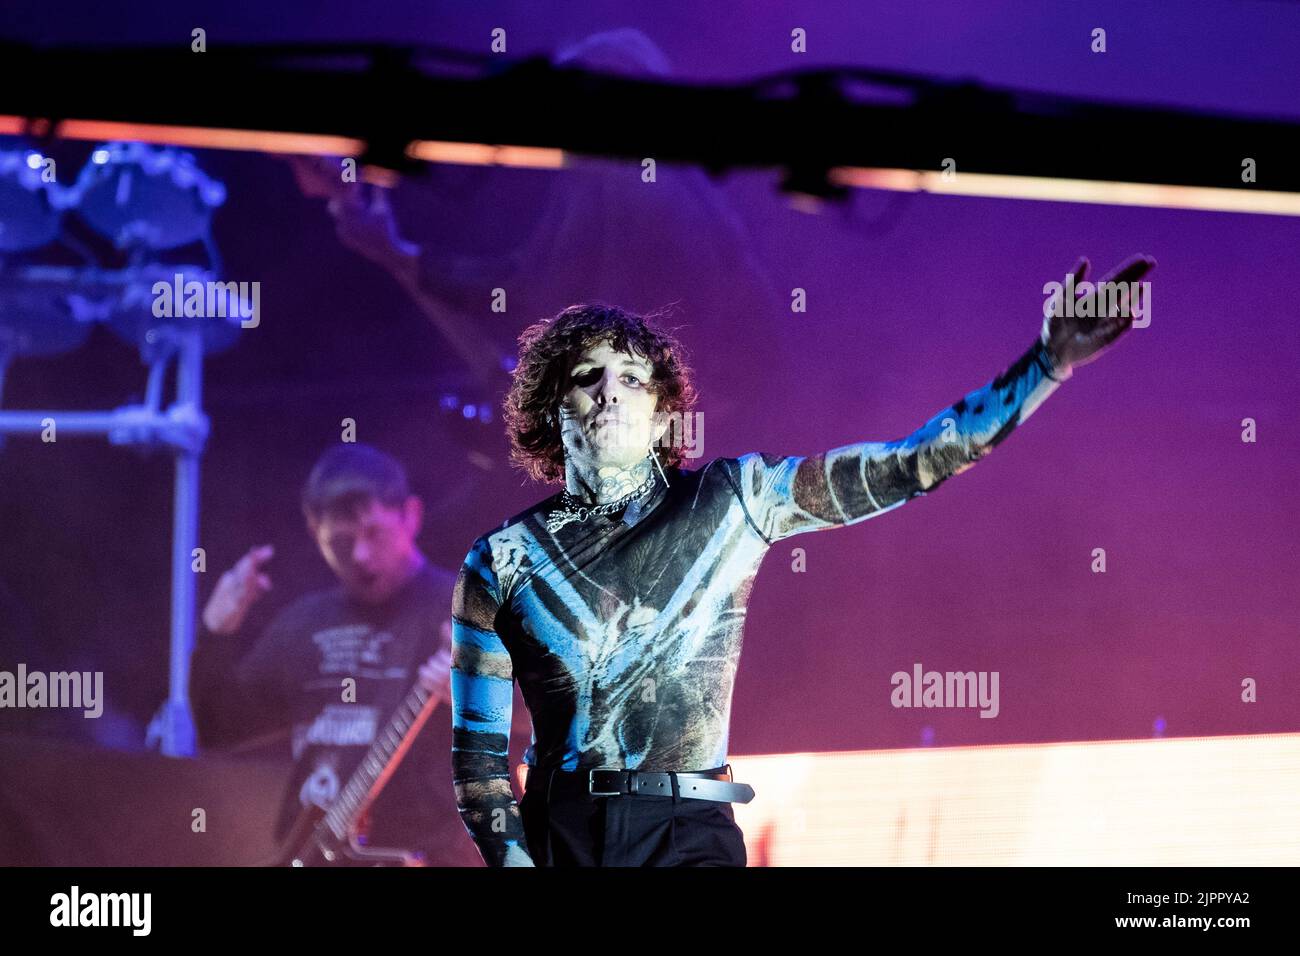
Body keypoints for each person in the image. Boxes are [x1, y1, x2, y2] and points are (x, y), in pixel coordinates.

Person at [449, 254, 1155, 867]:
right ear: (552, 408)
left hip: (689, 825)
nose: (609, 390)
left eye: (633, 378)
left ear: (666, 413)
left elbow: (907, 465)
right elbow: (479, 762)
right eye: (587, 375)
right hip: (564, 832)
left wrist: (1045, 366)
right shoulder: (499, 562)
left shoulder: (735, 500)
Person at [190, 443, 491, 866]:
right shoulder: (303, 623)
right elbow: (216, 731)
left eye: (376, 534)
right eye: (342, 541)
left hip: (430, 856)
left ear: (411, 515)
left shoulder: (465, 605)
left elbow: (548, 718)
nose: (362, 557)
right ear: (314, 531)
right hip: (313, 851)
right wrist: (215, 634)